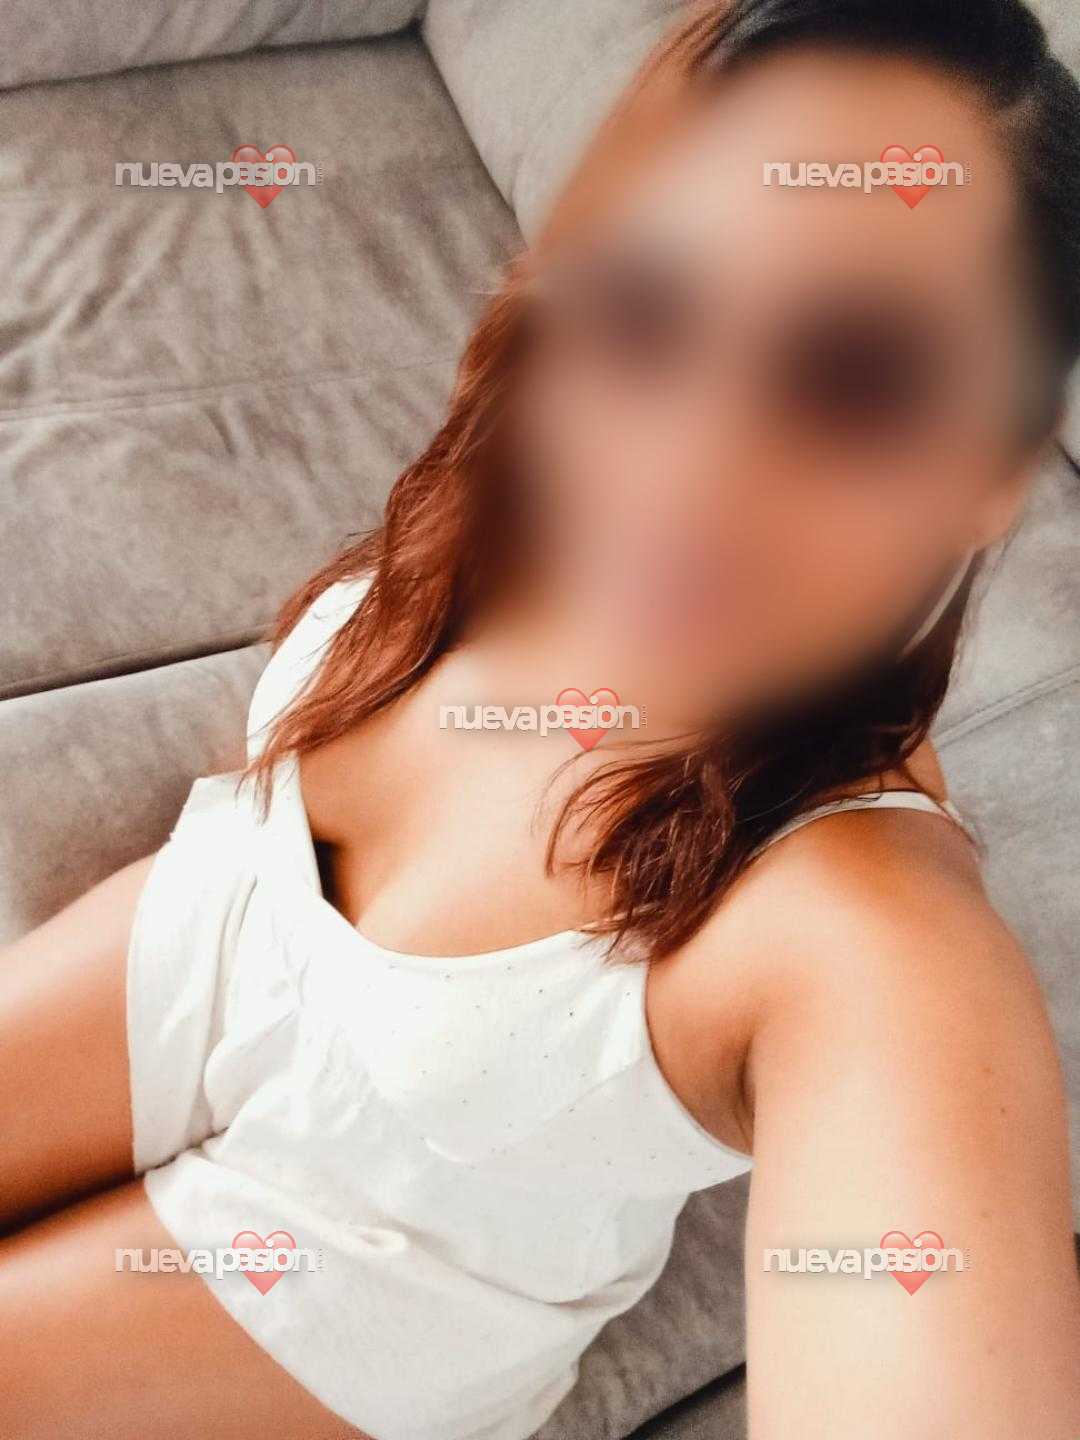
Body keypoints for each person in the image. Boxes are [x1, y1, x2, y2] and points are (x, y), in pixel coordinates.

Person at [3, 1, 1080, 1436]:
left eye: (854, 384)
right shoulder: (520, 470)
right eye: (650, 315)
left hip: (360, 1262)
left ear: (995, 469)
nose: (687, 473)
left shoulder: (868, 947)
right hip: (223, 920)